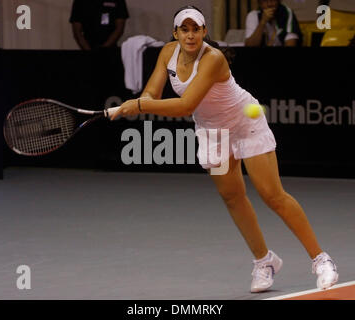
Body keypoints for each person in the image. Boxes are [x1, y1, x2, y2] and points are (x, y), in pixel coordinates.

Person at [110, 5, 338, 293]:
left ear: (205, 32)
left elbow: (185, 106)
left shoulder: (213, 59)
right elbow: (152, 92)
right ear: (175, 33)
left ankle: (321, 259)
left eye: (196, 29)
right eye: (184, 29)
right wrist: (141, 100)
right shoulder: (167, 52)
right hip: (213, 132)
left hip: (245, 122)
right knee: (232, 197)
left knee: (272, 195)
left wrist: (140, 105)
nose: (190, 35)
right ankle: (263, 261)